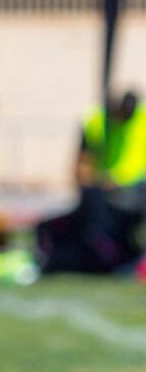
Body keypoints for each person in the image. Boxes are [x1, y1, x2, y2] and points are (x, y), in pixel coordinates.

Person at [35, 90, 146, 275]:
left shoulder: (141, 121)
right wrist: (98, 181)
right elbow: (81, 167)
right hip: (104, 192)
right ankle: (104, 253)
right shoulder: (95, 122)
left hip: (138, 190)